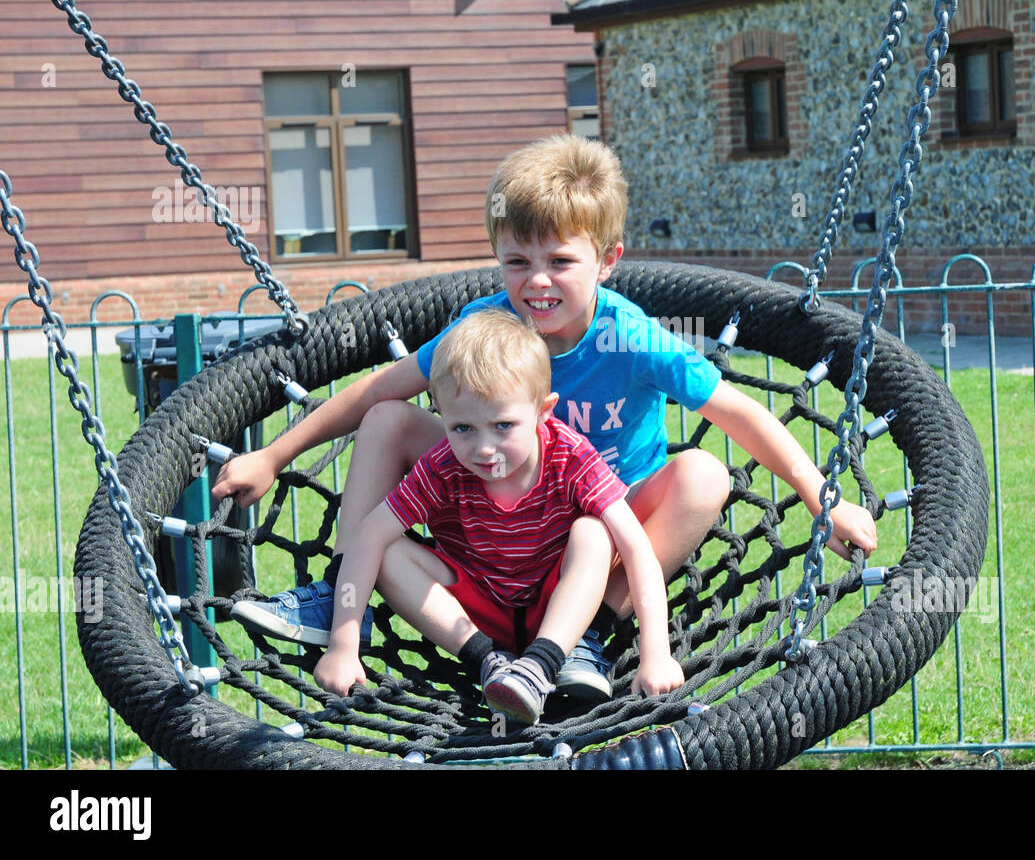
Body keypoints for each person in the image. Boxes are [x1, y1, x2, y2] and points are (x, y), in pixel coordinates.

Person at [217, 132, 878, 702]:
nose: (537, 282)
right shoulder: (485, 329)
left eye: (561, 261)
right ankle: (338, 594)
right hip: (491, 530)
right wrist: (273, 455)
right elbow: (373, 392)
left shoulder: (632, 337)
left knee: (704, 475)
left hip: (601, 535)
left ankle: (588, 634)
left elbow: (738, 412)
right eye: (517, 261)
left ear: (607, 260)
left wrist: (825, 501)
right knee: (390, 417)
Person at [310, 307, 682, 724]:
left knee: (595, 533)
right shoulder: (444, 465)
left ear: (544, 411)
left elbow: (636, 549)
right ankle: (489, 661)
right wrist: (343, 643)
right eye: (463, 428)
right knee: (387, 548)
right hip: (473, 610)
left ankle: (541, 666)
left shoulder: (570, 456)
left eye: (503, 425)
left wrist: (656, 652)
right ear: (441, 414)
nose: (484, 449)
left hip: (556, 607)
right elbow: (368, 538)